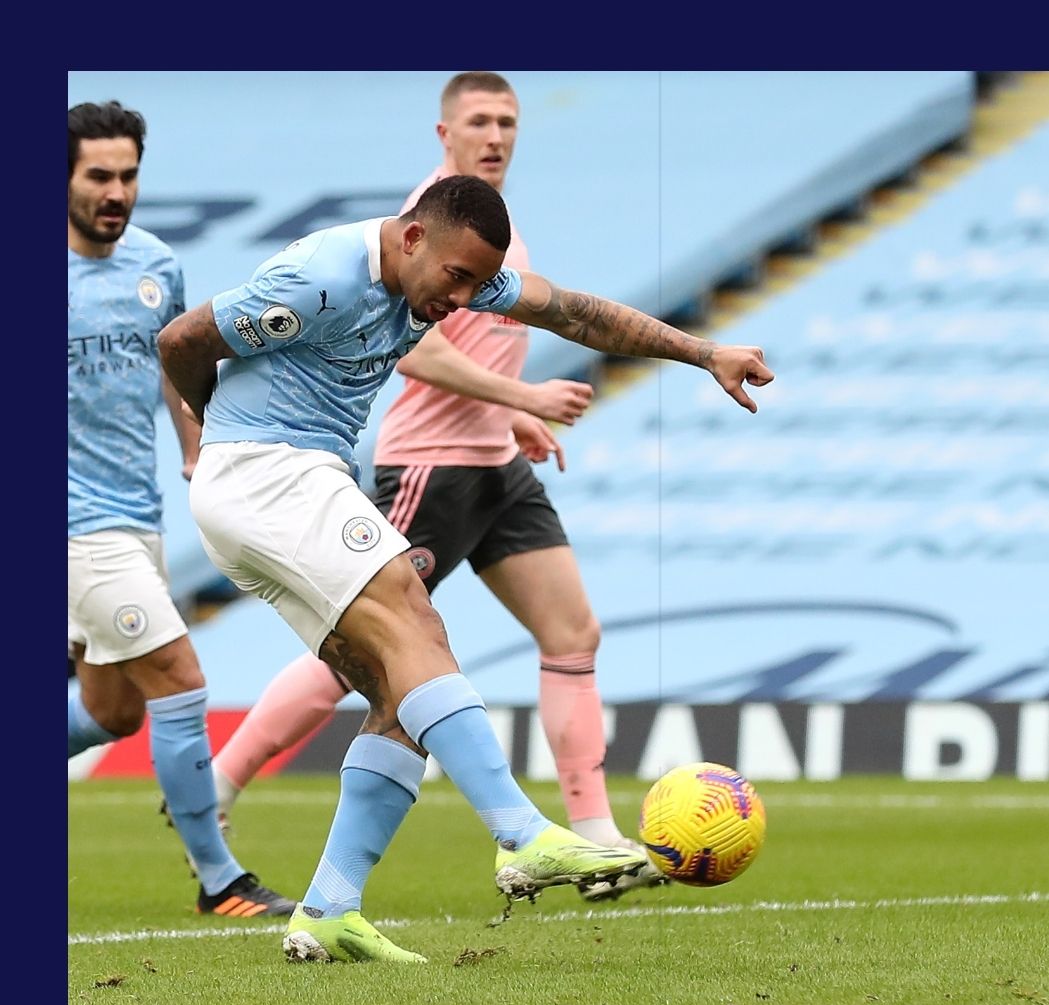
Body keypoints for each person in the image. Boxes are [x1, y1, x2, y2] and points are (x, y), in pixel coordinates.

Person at [158, 173, 774, 961]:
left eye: (480, 284)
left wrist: (703, 352)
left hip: (280, 483)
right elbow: (180, 340)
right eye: (457, 278)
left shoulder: (448, 276)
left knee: (395, 693)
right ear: (412, 238)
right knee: (414, 615)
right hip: (271, 470)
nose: (464, 300)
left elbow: (576, 313)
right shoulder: (320, 279)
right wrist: (223, 436)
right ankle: (521, 832)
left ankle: (328, 910)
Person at [201, 71, 662, 901]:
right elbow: (414, 350)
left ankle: (590, 835)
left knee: (570, 633)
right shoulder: (420, 226)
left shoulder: (490, 233)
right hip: (431, 463)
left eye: (508, 122)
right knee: (391, 651)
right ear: (444, 133)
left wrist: (515, 419)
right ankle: (223, 782)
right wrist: (522, 397)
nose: (496, 135)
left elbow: (556, 320)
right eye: (480, 121)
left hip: (496, 460)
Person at [67, 100, 296, 919]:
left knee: (111, 709)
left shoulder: (157, 265)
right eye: (99, 175)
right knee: (178, 676)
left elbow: (176, 364)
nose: (116, 190)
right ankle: (219, 879)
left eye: (127, 175)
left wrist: (196, 445)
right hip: (72, 526)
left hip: (137, 514)